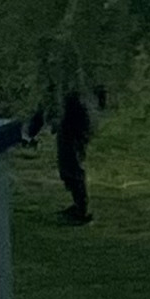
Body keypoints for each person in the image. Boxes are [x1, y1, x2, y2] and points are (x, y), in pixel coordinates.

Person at [56, 88, 94, 224]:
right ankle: (78, 206)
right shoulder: (71, 107)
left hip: (73, 143)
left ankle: (81, 210)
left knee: (74, 174)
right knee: (68, 173)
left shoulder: (77, 108)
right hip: (69, 142)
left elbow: (83, 131)